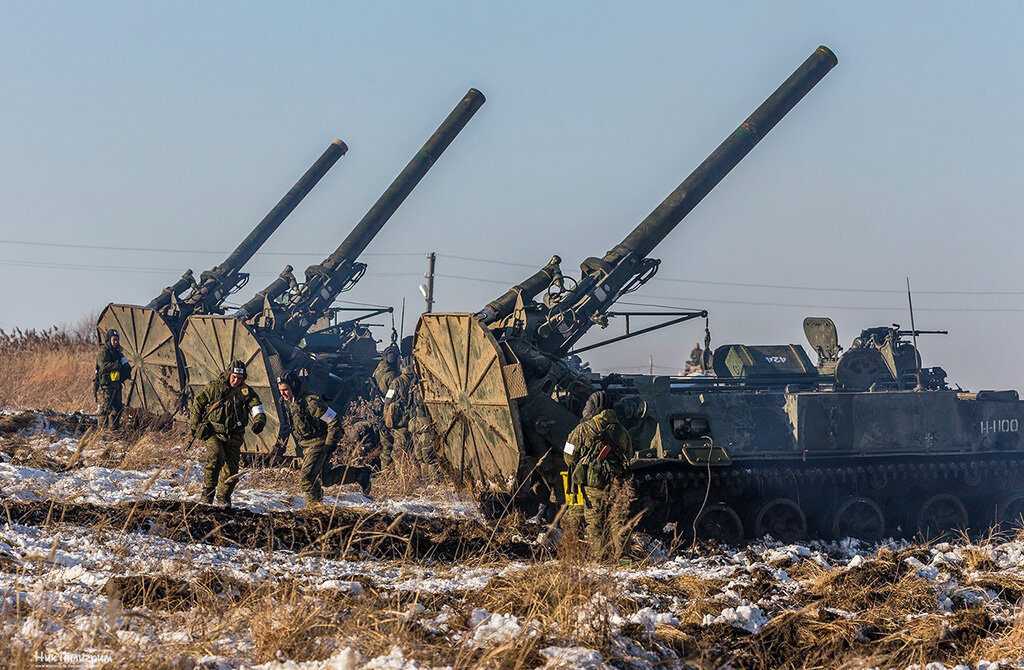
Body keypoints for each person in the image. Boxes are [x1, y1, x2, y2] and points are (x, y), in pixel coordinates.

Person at [277, 372, 371, 504]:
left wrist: (330, 443)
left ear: (294, 386)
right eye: (280, 390)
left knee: (307, 478)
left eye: (285, 390)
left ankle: (315, 508)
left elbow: (333, 420)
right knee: (325, 478)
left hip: (319, 443)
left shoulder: (311, 402)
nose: (283, 393)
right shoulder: (290, 402)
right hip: (306, 444)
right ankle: (360, 475)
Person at [565, 391, 634, 559]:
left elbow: (569, 455)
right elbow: (629, 453)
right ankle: (624, 560)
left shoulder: (582, 429)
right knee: (618, 520)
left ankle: (600, 559)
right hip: (617, 481)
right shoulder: (621, 430)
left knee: (595, 522)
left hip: (592, 483)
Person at [189, 360, 266, 508]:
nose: (236, 381)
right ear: (228, 374)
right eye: (234, 377)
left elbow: (256, 407)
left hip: (234, 435)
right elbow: (198, 403)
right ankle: (208, 493)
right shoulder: (214, 388)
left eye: (239, 378)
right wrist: (195, 425)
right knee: (216, 456)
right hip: (214, 432)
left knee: (231, 469)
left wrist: (259, 421)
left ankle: (223, 497)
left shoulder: (246, 392)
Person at [383, 364, 438, 475]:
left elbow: (388, 402)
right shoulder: (416, 382)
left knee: (418, 455)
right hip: (414, 424)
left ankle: (408, 478)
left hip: (410, 425)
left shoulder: (400, 382)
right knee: (422, 455)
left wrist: (390, 421)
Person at [94, 329, 132, 430]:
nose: (116, 342)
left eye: (117, 340)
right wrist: (117, 365)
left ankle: (114, 430)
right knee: (104, 410)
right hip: (106, 386)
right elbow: (103, 365)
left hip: (116, 385)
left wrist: (126, 369)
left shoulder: (118, 352)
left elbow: (125, 364)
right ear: (109, 340)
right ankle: (102, 432)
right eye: (114, 340)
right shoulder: (104, 351)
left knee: (117, 409)